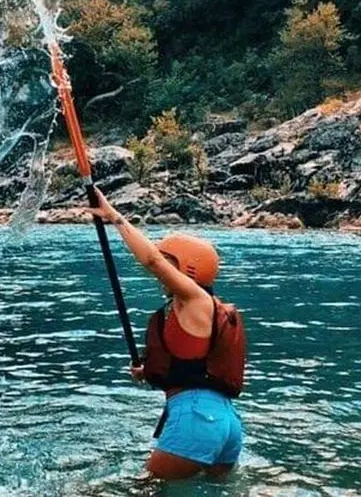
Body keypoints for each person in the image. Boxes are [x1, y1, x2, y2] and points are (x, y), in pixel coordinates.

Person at [85, 187, 246, 481]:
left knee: (138, 490)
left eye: (168, 261)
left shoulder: (194, 300)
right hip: (227, 423)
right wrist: (150, 371)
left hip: (197, 418)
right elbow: (193, 366)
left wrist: (114, 217)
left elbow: (151, 261)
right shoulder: (197, 310)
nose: (162, 268)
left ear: (187, 268)